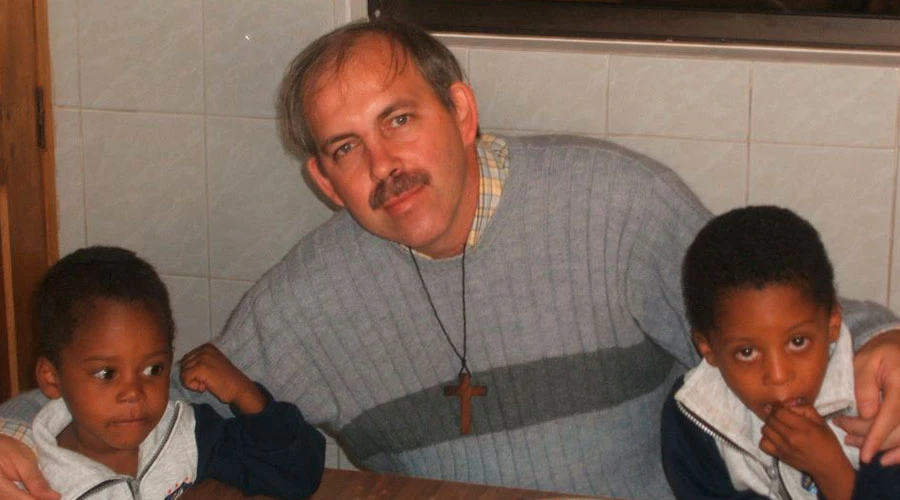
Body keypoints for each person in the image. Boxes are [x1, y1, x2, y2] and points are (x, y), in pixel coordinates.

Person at [3, 17, 900, 500]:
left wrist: (876, 339)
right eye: (347, 148)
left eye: (399, 119)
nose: (384, 165)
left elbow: (761, 311)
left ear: (461, 113)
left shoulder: (614, 205)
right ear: (325, 181)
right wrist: (10, 432)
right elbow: (146, 398)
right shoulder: (308, 301)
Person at [25, 246, 325, 499]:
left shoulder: (178, 436)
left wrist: (246, 395)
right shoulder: (34, 480)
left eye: (153, 369)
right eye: (106, 374)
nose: (134, 393)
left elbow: (297, 475)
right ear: (51, 378)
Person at [662, 206, 900, 499]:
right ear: (707, 348)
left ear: (832, 325)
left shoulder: (877, 406)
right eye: (746, 352)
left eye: (798, 342)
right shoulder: (697, 417)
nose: (778, 376)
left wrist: (830, 470)